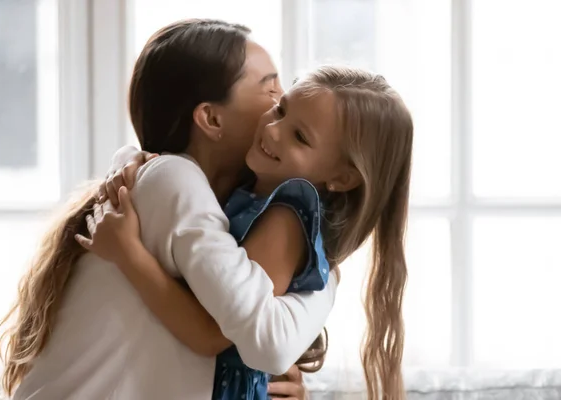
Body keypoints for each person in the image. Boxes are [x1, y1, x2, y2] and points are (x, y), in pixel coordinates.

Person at [0, 19, 336, 400]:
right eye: (270, 87)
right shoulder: (174, 181)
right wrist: (328, 281)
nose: (283, 103)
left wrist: (271, 381)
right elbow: (223, 334)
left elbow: (239, 335)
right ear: (211, 118)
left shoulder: (213, 204)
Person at [83, 64, 413, 400]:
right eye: (280, 109)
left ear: (342, 179)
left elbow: (212, 336)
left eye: (299, 136)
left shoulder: (285, 220)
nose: (272, 130)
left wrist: (129, 255)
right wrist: (133, 160)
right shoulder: (252, 196)